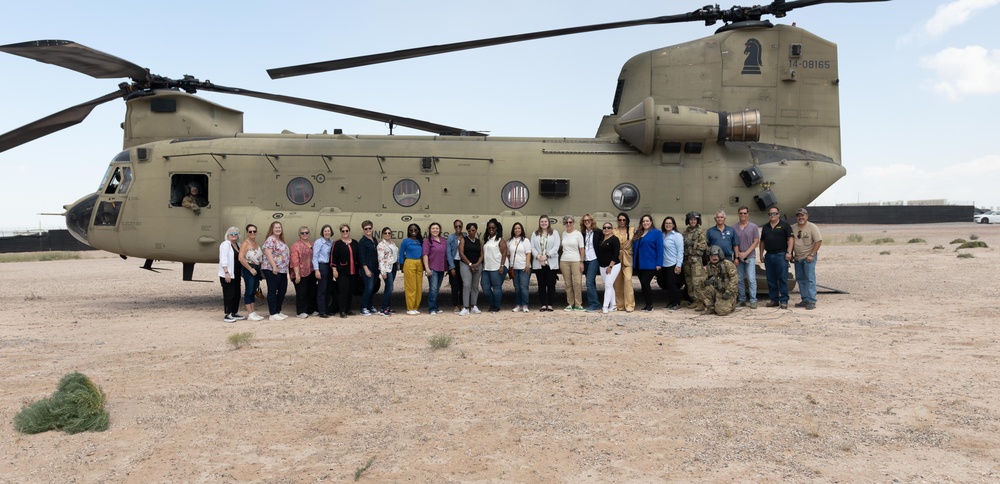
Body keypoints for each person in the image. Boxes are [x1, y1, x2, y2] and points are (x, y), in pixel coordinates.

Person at [759, 206, 794, 309]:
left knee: (782, 278)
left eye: (774, 213)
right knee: (771, 279)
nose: (772, 215)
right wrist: (761, 254)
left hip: (781, 255)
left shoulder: (785, 225)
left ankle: (784, 300)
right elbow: (762, 242)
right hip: (769, 255)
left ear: (778, 214)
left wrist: (789, 252)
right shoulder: (765, 227)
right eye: (770, 214)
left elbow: (791, 239)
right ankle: (774, 300)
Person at [792, 208, 822, 310]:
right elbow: (790, 241)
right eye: (798, 215)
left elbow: (818, 241)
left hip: (808, 257)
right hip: (798, 257)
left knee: (810, 279)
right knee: (800, 279)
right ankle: (805, 299)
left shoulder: (812, 227)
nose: (801, 217)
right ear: (796, 217)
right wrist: (791, 254)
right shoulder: (793, 228)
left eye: (803, 215)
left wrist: (812, 254)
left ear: (807, 216)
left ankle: (812, 300)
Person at [632, 214, 663, 312]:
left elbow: (660, 249)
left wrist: (659, 263)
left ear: (651, 222)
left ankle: (650, 305)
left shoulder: (656, 233)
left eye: (647, 221)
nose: (645, 223)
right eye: (643, 221)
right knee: (643, 284)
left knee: (645, 283)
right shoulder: (638, 233)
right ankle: (646, 305)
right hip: (639, 263)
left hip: (650, 263)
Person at [531, 215, 560, 312]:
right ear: (539, 223)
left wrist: (546, 256)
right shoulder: (535, 234)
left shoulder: (554, 233)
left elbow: (556, 246)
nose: (544, 223)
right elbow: (532, 247)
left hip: (550, 262)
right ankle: (543, 304)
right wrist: (538, 256)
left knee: (551, 284)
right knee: (541, 284)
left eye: (545, 221)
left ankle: (550, 304)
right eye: (542, 221)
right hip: (539, 262)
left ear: (548, 223)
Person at [261, 221, 290, 321]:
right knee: (272, 291)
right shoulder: (271, 239)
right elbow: (268, 253)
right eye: (276, 228)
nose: (278, 229)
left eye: (279, 228)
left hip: (282, 270)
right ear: (272, 229)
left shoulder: (281, 240)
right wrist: (274, 266)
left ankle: (278, 311)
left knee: (282, 290)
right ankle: (272, 313)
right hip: (272, 269)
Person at [733, 206, 760, 309]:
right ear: (738, 214)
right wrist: (739, 254)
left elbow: (756, 241)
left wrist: (746, 253)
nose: (743, 215)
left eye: (744, 213)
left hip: (750, 257)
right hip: (739, 257)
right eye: (741, 213)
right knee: (739, 279)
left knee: (751, 278)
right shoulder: (734, 227)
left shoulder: (753, 227)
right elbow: (734, 243)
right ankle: (742, 299)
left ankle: (753, 300)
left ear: (748, 214)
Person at [331, 224, 360, 318]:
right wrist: (334, 269)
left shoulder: (355, 242)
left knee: (350, 291)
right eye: (343, 231)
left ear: (349, 231)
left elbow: (358, 257)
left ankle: (348, 309)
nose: (345, 233)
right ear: (341, 232)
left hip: (353, 271)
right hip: (342, 271)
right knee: (343, 291)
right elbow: (333, 257)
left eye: (347, 231)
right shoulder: (337, 243)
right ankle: (342, 310)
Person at [480, 218, 508, 312]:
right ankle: (492, 303)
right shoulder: (487, 239)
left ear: (496, 228)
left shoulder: (500, 240)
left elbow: (504, 253)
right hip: (487, 267)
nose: (491, 229)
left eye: (493, 227)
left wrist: (502, 266)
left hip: (497, 267)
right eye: (489, 228)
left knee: (496, 287)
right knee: (485, 287)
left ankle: (496, 306)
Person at [238, 223, 265, 321]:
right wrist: (250, 269)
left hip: (257, 268)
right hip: (249, 269)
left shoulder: (256, 243)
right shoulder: (245, 244)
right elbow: (241, 258)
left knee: (253, 290)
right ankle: (250, 313)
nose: (252, 233)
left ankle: (253, 312)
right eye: (250, 231)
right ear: (247, 233)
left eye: (254, 231)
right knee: (249, 291)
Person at [702, 245, 739, 315]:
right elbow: (703, 278)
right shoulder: (708, 266)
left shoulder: (728, 264)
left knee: (721, 312)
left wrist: (729, 292)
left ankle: (731, 304)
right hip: (717, 290)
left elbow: (734, 279)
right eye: (711, 256)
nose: (714, 257)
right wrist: (706, 282)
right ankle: (711, 308)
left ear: (720, 255)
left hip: (727, 291)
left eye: (716, 255)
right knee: (704, 288)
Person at [682, 211, 709, 311]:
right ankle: (694, 300)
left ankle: (701, 302)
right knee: (689, 282)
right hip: (686, 260)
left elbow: (704, 246)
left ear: (697, 221)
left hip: (696, 260)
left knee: (697, 281)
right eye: (691, 219)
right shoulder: (685, 232)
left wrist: (693, 243)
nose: (692, 221)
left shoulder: (700, 232)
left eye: (694, 219)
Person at [559, 215, 585, 311]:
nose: (568, 224)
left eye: (570, 222)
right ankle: (570, 303)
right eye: (566, 222)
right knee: (568, 283)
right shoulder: (564, 234)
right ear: (564, 224)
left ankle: (578, 304)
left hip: (576, 260)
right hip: (564, 261)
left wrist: (581, 262)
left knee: (577, 283)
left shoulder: (578, 234)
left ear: (573, 223)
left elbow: (582, 249)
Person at [290, 226, 317, 318]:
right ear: (299, 235)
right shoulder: (295, 246)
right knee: (302, 292)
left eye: (306, 232)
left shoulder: (312, 244)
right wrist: (297, 274)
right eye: (302, 233)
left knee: (311, 291)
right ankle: (301, 311)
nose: (305, 234)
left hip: (311, 271)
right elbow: (294, 260)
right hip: (301, 272)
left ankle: (310, 310)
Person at [422, 222, 448, 315]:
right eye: (433, 228)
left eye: (437, 228)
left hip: (441, 268)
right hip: (432, 268)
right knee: (433, 288)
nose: (435, 230)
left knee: (436, 289)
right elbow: (425, 255)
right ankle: (432, 308)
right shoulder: (427, 241)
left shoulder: (443, 240)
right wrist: (427, 269)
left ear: (440, 230)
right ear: (430, 230)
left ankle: (436, 307)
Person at [399, 223, 425, 315]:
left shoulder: (420, 241)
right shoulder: (406, 241)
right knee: (411, 286)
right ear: (408, 231)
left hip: (419, 263)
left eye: (415, 230)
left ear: (418, 231)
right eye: (411, 230)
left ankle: (416, 306)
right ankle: (410, 307)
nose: (413, 232)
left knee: (418, 286)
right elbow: (401, 253)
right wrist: (401, 265)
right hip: (409, 262)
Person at [458, 222, 484, 315]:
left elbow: (481, 255)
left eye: (473, 230)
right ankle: (465, 307)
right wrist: (470, 264)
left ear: (476, 230)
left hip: (477, 265)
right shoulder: (463, 240)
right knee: (466, 284)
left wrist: (476, 264)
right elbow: (461, 253)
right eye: (469, 230)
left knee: (475, 286)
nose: (471, 232)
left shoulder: (478, 241)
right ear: (467, 231)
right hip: (465, 264)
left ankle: (474, 305)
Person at [612, 212, 635, 312]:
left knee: (628, 280)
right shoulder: (613, 230)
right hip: (617, 258)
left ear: (627, 220)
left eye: (624, 220)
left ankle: (630, 305)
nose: (622, 222)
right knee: (617, 282)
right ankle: (620, 305)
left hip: (628, 257)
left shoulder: (632, 230)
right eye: (620, 220)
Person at [219, 226, 243, 323]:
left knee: (237, 293)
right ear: (228, 235)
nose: (233, 236)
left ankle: (234, 312)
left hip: (236, 274)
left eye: (235, 234)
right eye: (231, 234)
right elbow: (223, 258)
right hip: (228, 274)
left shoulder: (238, 245)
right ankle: (227, 314)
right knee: (229, 294)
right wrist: (226, 272)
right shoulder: (225, 244)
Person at [660, 216, 684, 310]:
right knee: (667, 284)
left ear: (673, 225)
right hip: (664, 264)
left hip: (673, 263)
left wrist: (679, 265)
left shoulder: (677, 236)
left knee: (672, 283)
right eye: (666, 223)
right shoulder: (662, 235)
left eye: (670, 223)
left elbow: (680, 251)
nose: (668, 225)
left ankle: (676, 303)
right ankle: (671, 302)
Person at [506, 222, 532, 312]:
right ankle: (518, 304)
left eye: (519, 228)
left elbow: (528, 253)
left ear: (522, 230)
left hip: (523, 267)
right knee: (516, 287)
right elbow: (508, 254)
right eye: (515, 228)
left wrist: (527, 265)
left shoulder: (525, 240)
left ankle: (525, 305)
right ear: (513, 230)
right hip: (514, 268)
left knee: (524, 286)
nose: (517, 230)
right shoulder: (509, 241)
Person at [312, 224, 336, 318]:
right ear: (322, 232)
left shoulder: (331, 242)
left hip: (329, 266)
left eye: (329, 231)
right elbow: (315, 257)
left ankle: (327, 309)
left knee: (328, 288)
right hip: (322, 266)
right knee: (322, 289)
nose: (327, 232)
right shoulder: (319, 242)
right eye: (325, 231)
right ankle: (321, 311)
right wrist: (316, 270)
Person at [596, 222, 621, 313]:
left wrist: (610, 266)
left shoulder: (614, 239)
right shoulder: (601, 239)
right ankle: (613, 305)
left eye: (608, 227)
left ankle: (605, 306)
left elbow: (616, 254)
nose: (606, 229)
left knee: (608, 285)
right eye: (604, 227)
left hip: (613, 265)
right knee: (609, 285)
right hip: (602, 266)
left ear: (612, 229)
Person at [580, 214, 603, 312]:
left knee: (589, 282)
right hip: (585, 259)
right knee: (591, 282)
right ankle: (596, 302)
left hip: (594, 259)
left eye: (588, 220)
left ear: (592, 221)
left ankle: (594, 304)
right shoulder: (582, 233)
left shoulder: (598, 232)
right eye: (585, 220)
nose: (587, 222)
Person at [359, 220, 380, 316]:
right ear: (363, 230)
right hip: (367, 268)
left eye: (369, 228)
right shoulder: (362, 242)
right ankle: (363, 307)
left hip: (375, 268)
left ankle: (370, 306)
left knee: (372, 288)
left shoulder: (374, 240)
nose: (368, 230)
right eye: (366, 229)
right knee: (368, 287)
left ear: (372, 228)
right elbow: (362, 257)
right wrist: (366, 269)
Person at [376, 227, 399, 316]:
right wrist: (383, 272)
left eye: (389, 233)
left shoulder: (392, 244)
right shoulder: (381, 245)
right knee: (390, 288)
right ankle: (383, 308)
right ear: (382, 234)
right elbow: (380, 259)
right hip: (386, 268)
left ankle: (388, 307)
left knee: (388, 288)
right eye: (385, 233)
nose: (387, 235)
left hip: (393, 267)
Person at [446, 219, 465, 313]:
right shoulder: (451, 238)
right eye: (456, 226)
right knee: (454, 285)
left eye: (460, 226)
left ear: (462, 227)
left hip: (463, 262)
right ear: (454, 227)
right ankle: (455, 305)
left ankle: (462, 304)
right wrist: (452, 267)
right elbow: (448, 253)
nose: (458, 228)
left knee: (463, 285)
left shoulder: (465, 236)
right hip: (454, 262)